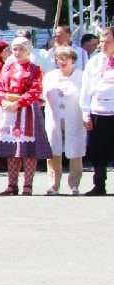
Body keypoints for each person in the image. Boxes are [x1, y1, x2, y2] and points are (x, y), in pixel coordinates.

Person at [0, 37, 48, 195]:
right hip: (8, 110)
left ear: (28, 50)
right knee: (12, 149)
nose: (17, 52)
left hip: (26, 111)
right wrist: (3, 101)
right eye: (15, 49)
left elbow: (35, 89)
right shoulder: (7, 68)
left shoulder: (34, 69)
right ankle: (12, 184)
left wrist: (19, 102)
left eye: (21, 49)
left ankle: (28, 185)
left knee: (27, 150)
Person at [42, 47, 85, 195]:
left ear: (73, 59)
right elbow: (43, 96)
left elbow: (85, 97)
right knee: (53, 149)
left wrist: (87, 115)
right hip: (54, 116)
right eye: (59, 58)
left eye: (66, 57)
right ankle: (54, 184)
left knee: (75, 148)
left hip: (75, 116)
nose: (62, 61)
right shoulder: (50, 76)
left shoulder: (81, 76)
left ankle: (74, 184)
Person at [80, 27, 114, 195]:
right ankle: (99, 185)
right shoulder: (94, 61)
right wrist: (85, 113)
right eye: (101, 42)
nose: (103, 45)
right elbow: (86, 89)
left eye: (107, 42)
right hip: (98, 111)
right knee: (97, 150)